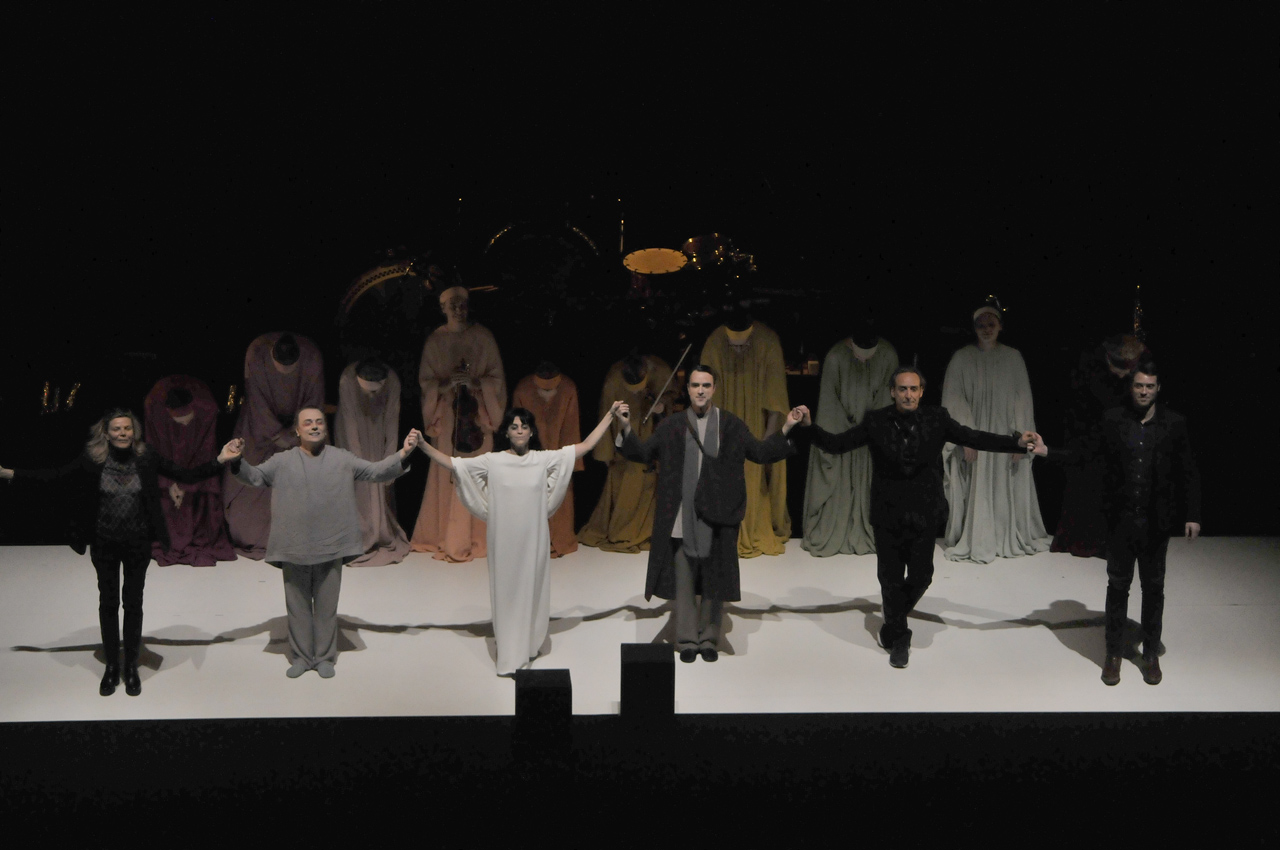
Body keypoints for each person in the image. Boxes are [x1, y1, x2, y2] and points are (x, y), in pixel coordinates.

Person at [799, 366, 1038, 668]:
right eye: (902, 389)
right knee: (890, 578)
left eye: (913, 389)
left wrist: (1015, 442)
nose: (908, 394)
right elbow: (837, 444)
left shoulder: (938, 418)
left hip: (925, 511)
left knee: (922, 575)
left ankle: (891, 621)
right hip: (887, 513)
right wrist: (808, 427)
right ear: (892, 392)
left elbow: (974, 437)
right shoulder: (876, 421)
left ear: (922, 392)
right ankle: (900, 639)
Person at [2, 409, 241, 696]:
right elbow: (57, 477)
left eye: (127, 428)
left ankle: (131, 667)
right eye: (117, 428)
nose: (123, 433)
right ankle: (112, 666)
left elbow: (186, 475)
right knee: (108, 602)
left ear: (134, 431)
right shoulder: (93, 459)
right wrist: (11, 474)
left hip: (137, 543)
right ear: (106, 433)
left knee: (133, 603)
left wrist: (220, 460)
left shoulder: (147, 456)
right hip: (104, 543)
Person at [417, 402, 622, 675]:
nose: (520, 430)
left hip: (534, 541)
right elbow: (454, 464)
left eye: (524, 426)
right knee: (507, 595)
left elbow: (584, 446)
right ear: (507, 432)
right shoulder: (493, 461)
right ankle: (510, 656)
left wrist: (609, 415)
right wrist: (423, 445)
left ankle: (528, 645)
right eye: (514, 427)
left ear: (531, 431)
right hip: (504, 543)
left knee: (532, 591)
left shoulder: (542, 459)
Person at [617, 365, 802, 663]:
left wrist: (787, 427)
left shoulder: (730, 424)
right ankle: (687, 639)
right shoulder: (673, 425)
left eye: (706, 385)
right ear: (688, 389)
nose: (700, 390)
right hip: (681, 515)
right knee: (684, 581)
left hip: (718, 513)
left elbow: (759, 452)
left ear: (714, 388)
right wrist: (626, 426)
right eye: (695, 385)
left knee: (714, 580)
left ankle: (709, 639)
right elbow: (643, 453)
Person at [1032, 362, 1200, 686]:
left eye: (1149, 386)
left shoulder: (1174, 423)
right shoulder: (1113, 419)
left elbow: (1188, 470)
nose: (1144, 391)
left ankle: (1149, 654)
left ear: (1158, 388)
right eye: (1139, 385)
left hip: (1156, 524)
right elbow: (1085, 454)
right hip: (1120, 522)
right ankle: (1112, 655)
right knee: (1118, 587)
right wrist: (1047, 451)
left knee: (1154, 589)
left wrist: (1193, 514)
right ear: (1131, 387)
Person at [230, 407, 422, 678]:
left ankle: (323, 657)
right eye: (308, 422)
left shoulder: (341, 458)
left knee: (326, 607)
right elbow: (256, 476)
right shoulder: (282, 461)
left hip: (331, 545)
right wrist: (237, 461)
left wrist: (403, 453)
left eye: (319, 422)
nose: (314, 426)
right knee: (297, 607)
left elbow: (375, 471)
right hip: (293, 546)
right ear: (297, 430)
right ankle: (301, 657)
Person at [940, 303, 1051, 563]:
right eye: (981, 325)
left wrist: (1018, 441)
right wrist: (965, 439)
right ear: (974, 328)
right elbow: (954, 400)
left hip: (1004, 434)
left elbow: (1023, 400)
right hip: (976, 436)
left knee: (1005, 483)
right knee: (977, 484)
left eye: (991, 324)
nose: (986, 330)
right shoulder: (961, 358)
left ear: (1000, 326)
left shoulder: (1013, 358)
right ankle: (980, 535)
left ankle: (1003, 534)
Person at [410, 285, 507, 562]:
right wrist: (445, 384)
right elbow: (426, 383)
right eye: (451, 305)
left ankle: (478, 536)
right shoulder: (435, 341)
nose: (457, 309)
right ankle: (447, 534)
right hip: (448, 416)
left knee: (478, 474)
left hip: (477, 417)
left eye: (461, 304)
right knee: (448, 474)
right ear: (443, 308)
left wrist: (476, 382)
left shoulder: (483, 337)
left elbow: (497, 380)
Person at [223, 332, 325, 559]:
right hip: (257, 431)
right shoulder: (257, 352)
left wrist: (295, 435)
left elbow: (314, 402)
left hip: (300, 436)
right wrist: (275, 434)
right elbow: (256, 400)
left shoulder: (311, 356)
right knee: (249, 492)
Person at [802, 319, 898, 556]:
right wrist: (848, 432)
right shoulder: (836, 356)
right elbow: (828, 402)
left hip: (872, 438)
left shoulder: (888, 355)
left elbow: (888, 399)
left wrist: (870, 428)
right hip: (841, 435)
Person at [1051, 334, 1151, 557]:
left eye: (1127, 370)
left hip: (1120, 430)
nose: (1122, 374)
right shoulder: (1091, 365)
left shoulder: (1140, 363)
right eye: (1120, 369)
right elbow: (1083, 403)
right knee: (1091, 483)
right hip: (1091, 430)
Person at [700, 317, 792, 557]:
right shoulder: (714, 342)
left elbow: (775, 399)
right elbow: (705, 394)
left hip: (756, 424)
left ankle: (749, 523)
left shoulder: (767, 341)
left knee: (752, 475)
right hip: (723, 424)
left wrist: (767, 440)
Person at [577, 354, 676, 553]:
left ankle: (647, 530)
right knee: (625, 489)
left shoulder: (660, 371)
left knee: (649, 486)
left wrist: (662, 405)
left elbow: (671, 396)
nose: (637, 392)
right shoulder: (613, 380)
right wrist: (606, 453)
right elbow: (605, 415)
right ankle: (623, 530)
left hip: (650, 438)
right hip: (623, 445)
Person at [143, 376, 236, 566]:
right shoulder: (157, 425)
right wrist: (169, 484)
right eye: (179, 421)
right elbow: (161, 462)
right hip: (169, 473)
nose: (185, 426)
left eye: (187, 420)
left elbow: (201, 463)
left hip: (196, 472)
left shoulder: (204, 414)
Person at [334, 358, 412, 566]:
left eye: (375, 391)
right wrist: (359, 465)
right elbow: (350, 424)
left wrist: (390, 463)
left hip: (377, 426)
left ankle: (377, 529)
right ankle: (356, 535)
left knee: (378, 483)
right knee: (356, 484)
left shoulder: (392, 381)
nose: (370, 396)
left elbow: (392, 421)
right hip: (351, 428)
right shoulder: (347, 379)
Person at [511, 362, 582, 558]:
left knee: (560, 498)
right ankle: (532, 542)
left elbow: (571, 427)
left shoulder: (567, 388)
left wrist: (570, 459)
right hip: (532, 455)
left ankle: (560, 539)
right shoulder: (524, 389)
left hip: (559, 455)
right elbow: (517, 428)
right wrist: (521, 457)